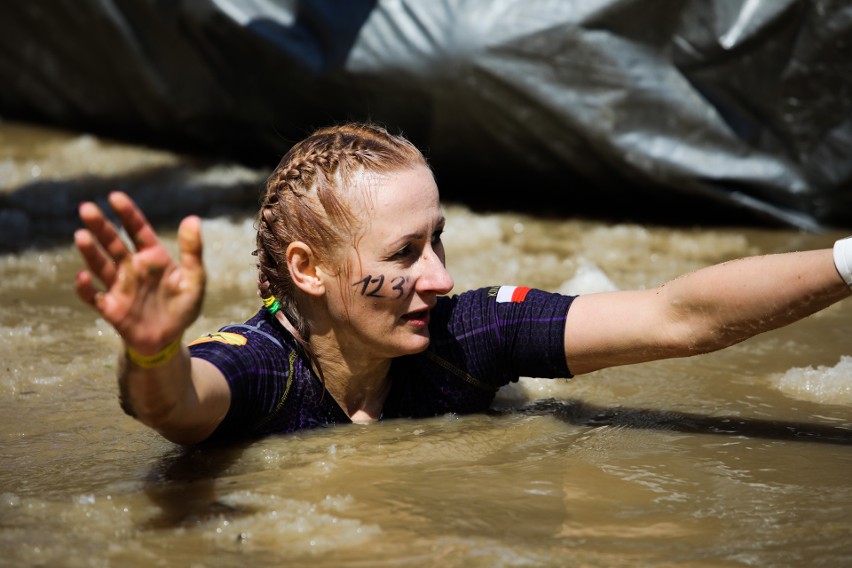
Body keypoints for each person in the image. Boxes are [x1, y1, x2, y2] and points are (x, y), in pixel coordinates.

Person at [74, 122, 852, 446]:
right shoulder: (261, 367)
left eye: (437, 240)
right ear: (308, 270)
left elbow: (677, 317)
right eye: (405, 252)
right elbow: (175, 406)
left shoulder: (466, 336)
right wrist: (150, 350)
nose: (441, 278)